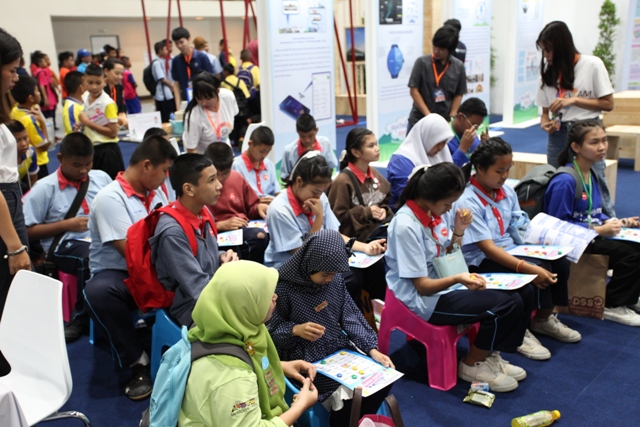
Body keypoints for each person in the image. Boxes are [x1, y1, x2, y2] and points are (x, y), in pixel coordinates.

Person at [386, 163, 532, 392]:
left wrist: (459, 231)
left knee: (520, 294)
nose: (449, 209)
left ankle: (488, 355)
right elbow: (422, 287)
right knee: (506, 305)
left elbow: (448, 255)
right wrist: (459, 279)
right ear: (431, 197)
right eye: (447, 203)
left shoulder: (433, 213)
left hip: (444, 284)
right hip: (422, 299)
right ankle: (472, 364)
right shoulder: (405, 225)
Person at [456, 138, 579, 361]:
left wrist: (540, 245)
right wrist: (527, 267)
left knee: (559, 261)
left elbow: (518, 227)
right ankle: (521, 333)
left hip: (511, 248)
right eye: (499, 171)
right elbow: (488, 249)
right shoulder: (468, 200)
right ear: (480, 169)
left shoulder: (506, 191)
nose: (505, 176)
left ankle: (542, 319)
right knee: (530, 277)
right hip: (479, 260)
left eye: (508, 169)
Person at [267, 230, 393, 426]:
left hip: (335, 347)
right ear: (309, 264)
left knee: (382, 379)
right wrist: (296, 330)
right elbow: (270, 332)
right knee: (344, 394)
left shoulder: (335, 281)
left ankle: (357, 419)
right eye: (325, 274)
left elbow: (350, 316)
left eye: (334, 274)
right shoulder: (283, 288)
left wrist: (371, 349)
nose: (329, 279)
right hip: (301, 356)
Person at [84, 136, 177, 400]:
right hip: (121, 273)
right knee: (98, 293)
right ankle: (137, 362)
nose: (166, 177)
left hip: (154, 266)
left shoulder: (156, 192)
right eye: (164, 170)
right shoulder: (110, 198)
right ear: (146, 165)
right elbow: (131, 254)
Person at [179, 261, 319, 426]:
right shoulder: (232, 377)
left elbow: (248, 357)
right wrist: (300, 406)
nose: (275, 297)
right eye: (265, 295)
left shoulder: (228, 326)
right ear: (245, 306)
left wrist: (278, 366)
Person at [544, 119, 640, 326]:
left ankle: (628, 297)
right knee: (631, 256)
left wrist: (620, 222)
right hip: (572, 244)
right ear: (576, 147)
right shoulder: (565, 181)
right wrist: (599, 229)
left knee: (636, 246)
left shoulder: (591, 172)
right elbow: (556, 226)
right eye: (594, 142)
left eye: (604, 140)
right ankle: (612, 304)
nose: (602, 147)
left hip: (589, 236)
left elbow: (593, 213)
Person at [264, 152, 387, 314]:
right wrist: (319, 218)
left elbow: (334, 235)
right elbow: (303, 256)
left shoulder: (318, 198)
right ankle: (342, 321)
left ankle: (376, 315)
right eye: (315, 191)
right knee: (349, 278)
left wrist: (365, 247)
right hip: (290, 269)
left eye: (322, 192)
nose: (319, 196)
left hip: (320, 260)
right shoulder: (279, 210)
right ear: (299, 182)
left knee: (375, 267)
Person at [23, 132, 112, 341]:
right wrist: (66, 225)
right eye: (76, 165)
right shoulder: (45, 188)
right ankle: (80, 317)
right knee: (89, 258)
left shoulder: (101, 178)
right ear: (60, 158)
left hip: (99, 238)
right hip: (62, 245)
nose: (83, 170)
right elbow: (27, 230)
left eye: (88, 164)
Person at [535, 20, 615, 217]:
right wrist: (545, 124)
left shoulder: (592, 65)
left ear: (561, 47)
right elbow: (544, 113)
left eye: (549, 50)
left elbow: (608, 103)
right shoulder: (547, 73)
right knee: (557, 179)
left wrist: (574, 100)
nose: (546, 56)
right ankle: (559, 224)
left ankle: (610, 223)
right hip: (558, 133)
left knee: (595, 178)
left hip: (587, 130)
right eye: (543, 51)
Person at [150, 152, 238, 326]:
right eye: (211, 180)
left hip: (213, 294)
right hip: (190, 308)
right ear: (189, 189)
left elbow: (203, 257)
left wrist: (222, 256)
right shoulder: (172, 232)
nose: (219, 185)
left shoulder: (203, 213)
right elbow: (198, 289)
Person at [0, 27, 32, 335]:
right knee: (10, 295)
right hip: (4, 204)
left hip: (9, 197)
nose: (16, 77)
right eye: (11, 70)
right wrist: (14, 246)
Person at [203, 142, 269, 263]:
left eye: (225, 173)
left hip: (242, 227)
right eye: (216, 175)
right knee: (255, 237)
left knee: (266, 233)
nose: (220, 179)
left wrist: (259, 207)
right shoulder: (201, 185)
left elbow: (251, 207)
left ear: (232, 163)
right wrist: (220, 225)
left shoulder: (237, 178)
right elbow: (197, 224)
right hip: (216, 232)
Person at [328, 127, 393, 242]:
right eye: (371, 146)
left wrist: (383, 209)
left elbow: (385, 198)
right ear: (355, 152)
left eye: (376, 144)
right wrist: (366, 212)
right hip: (356, 242)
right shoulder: (342, 181)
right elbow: (336, 220)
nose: (377, 149)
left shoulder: (373, 172)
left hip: (377, 232)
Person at [387, 114, 453, 208]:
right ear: (426, 136)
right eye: (438, 142)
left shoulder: (439, 154)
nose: (441, 147)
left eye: (444, 142)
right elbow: (408, 197)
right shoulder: (401, 161)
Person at [407, 25, 467, 128]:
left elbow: (459, 94)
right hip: (419, 121)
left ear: (450, 50)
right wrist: (429, 117)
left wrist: (451, 116)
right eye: (435, 46)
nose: (436, 51)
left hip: (444, 123)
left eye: (441, 49)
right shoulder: (422, 63)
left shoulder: (458, 66)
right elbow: (414, 91)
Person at [78, 64, 124, 180]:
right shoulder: (85, 97)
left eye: (98, 83)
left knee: (110, 183)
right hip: (92, 149)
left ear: (105, 82)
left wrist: (87, 123)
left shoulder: (108, 104)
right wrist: (81, 125)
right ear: (83, 81)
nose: (94, 87)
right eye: (90, 82)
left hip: (107, 151)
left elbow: (113, 132)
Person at [182, 72, 238, 152]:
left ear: (217, 91)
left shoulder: (228, 97)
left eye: (208, 98)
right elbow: (191, 149)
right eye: (199, 98)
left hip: (225, 151)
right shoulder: (194, 115)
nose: (204, 103)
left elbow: (233, 114)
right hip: (203, 155)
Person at [10, 75, 51, 178]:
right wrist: (42, 122)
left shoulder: (14, 111)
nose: (39, 93)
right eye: (37, 91)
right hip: (38, 162)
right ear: (30, 98)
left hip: (24, 161)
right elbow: (44, 146)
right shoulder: (30, 119)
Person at [280, 114, 338, 182]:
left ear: (316, 130)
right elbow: (284, 176)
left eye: (310, 136)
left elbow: (331, 167)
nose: (307, 140)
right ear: (297, 131)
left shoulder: (325, 143)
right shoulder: (288, 151)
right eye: (302, 136)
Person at [232, 125, 280, 201]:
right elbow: (235, 197)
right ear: (250, 144)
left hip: (271, 204)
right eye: (262, 151)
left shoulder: (269, 164)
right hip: (250, 206)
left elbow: (277, 192)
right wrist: (257, 202)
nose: (264, 155)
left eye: (268, 152)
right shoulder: (236, 166)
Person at [171, 27, 215, 104]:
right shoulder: (176, 61)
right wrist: (178, 106)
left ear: (189, 39)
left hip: (203, 99)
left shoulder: (202, 57)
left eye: (181, 42)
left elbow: (210, 81)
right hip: (187, 99)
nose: (179, 46)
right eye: (176, 43)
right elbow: (176, 84)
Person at [447, 97, 489, 167]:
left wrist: (485, 147)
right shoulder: (444, 139)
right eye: (474, 125)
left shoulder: (471, 134)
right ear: (461, 117)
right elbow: (445, 171)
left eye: (478, 126)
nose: (475, 129)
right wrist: (462, 149)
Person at [221, 63, 250, 145]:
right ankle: (241, 138)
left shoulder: (223, 84)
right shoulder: (240, 81)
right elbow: (247, 95)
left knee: (233, 125)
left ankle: (233, 141)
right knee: (243, 124)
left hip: (230, 109)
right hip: (242, 108)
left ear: (226, 72)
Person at [6, 120, 38, 192]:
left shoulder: (31, 152)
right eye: (17, 140)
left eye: (25, 138)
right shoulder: (2, 162)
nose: (23, 144)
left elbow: (32, 181)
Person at [152, 40, 178, 123]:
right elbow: (162, 78)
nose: (167, 51)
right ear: (160, 50)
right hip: (163, 94)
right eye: (165, 49)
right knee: (166, 115)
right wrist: (171, 86)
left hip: (165, 92)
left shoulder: (160, 61)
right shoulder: (157, 63)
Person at [32, 52, 59, 131]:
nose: (46, 62)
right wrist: (46, 98)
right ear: (39, 63)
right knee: (49, 118)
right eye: (44, 61)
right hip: (48, 98)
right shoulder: (41, 72)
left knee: (51, 117)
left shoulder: (43, 71)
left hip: (50, 97)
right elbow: (42, 85)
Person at [102, 58, 128, 128]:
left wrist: (123, 116)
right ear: (106, 71)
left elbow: (121, 108)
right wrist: (119, 119)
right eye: (117, 73)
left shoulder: (119, 87)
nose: (120, 77)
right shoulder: (99, 89)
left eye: (121, 74)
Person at [62, 71, 84, 135]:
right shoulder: (71, 109)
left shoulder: (83, 101)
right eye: (88, 83)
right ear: (81, 87)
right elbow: (75, 135)